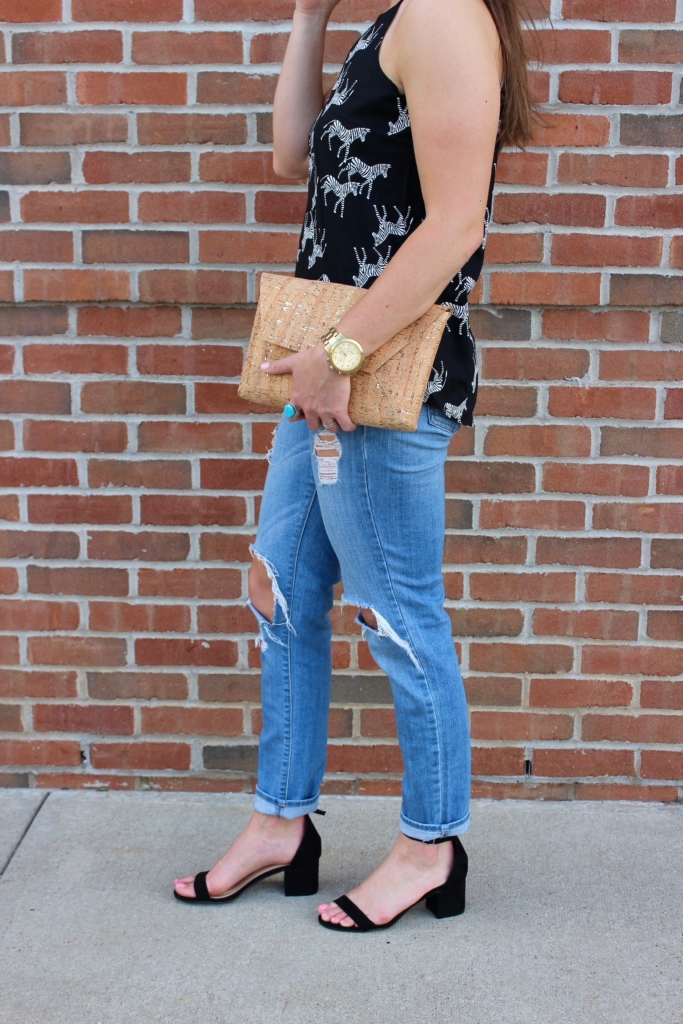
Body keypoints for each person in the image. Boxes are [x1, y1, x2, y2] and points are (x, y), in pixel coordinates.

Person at [174, 0, 535, 931]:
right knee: (282, 590)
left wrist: (344, 353)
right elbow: (289, 155)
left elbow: (456, 225)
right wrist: (308, 15)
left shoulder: (448, 16)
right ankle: (279, 827)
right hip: (327, 365)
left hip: (379, 373)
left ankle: (430, 846)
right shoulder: (389, 20)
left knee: (397, 614)